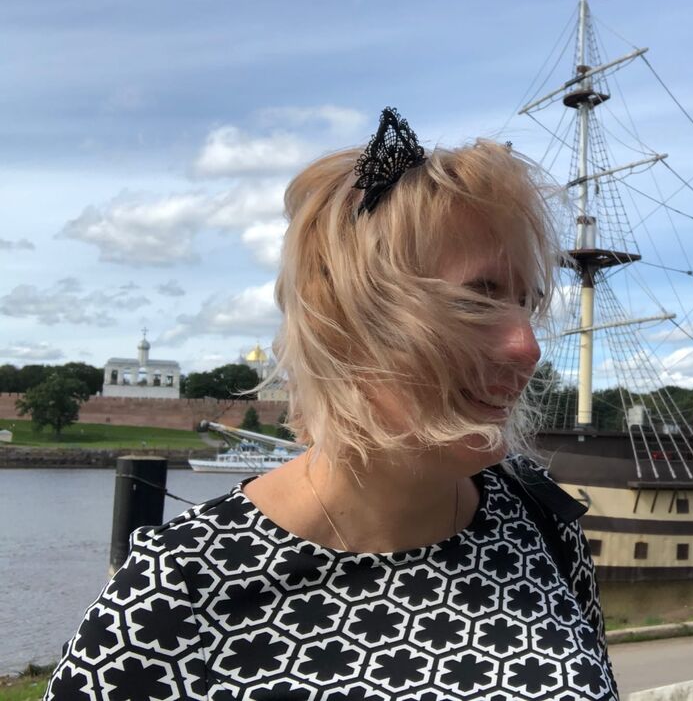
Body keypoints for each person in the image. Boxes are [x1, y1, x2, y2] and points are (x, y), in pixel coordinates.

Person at [46, 107, 618, 700]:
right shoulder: (173, 595)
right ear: (342, 322)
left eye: (527, 303)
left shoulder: (539, 519)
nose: (527, 347)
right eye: (476, 300)